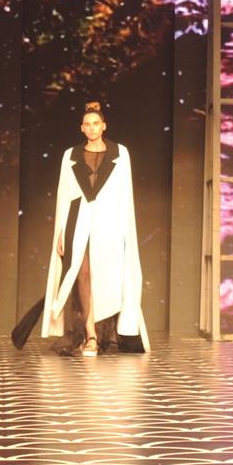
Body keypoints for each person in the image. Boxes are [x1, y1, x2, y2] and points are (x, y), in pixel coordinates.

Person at [41, 102, 150, 355]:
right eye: (87, 124)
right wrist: (60, 231)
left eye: (96, 124)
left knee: (108, 275)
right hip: (77, 219)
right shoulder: (70, 155)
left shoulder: (120, 153)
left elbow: (125, 194)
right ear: (82, 128)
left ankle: (104, 332)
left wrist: (126, 230)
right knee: (82, 273)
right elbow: (63, 195)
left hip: (110, 222)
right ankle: (90, 336)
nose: (91, 128)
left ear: (104, 126)